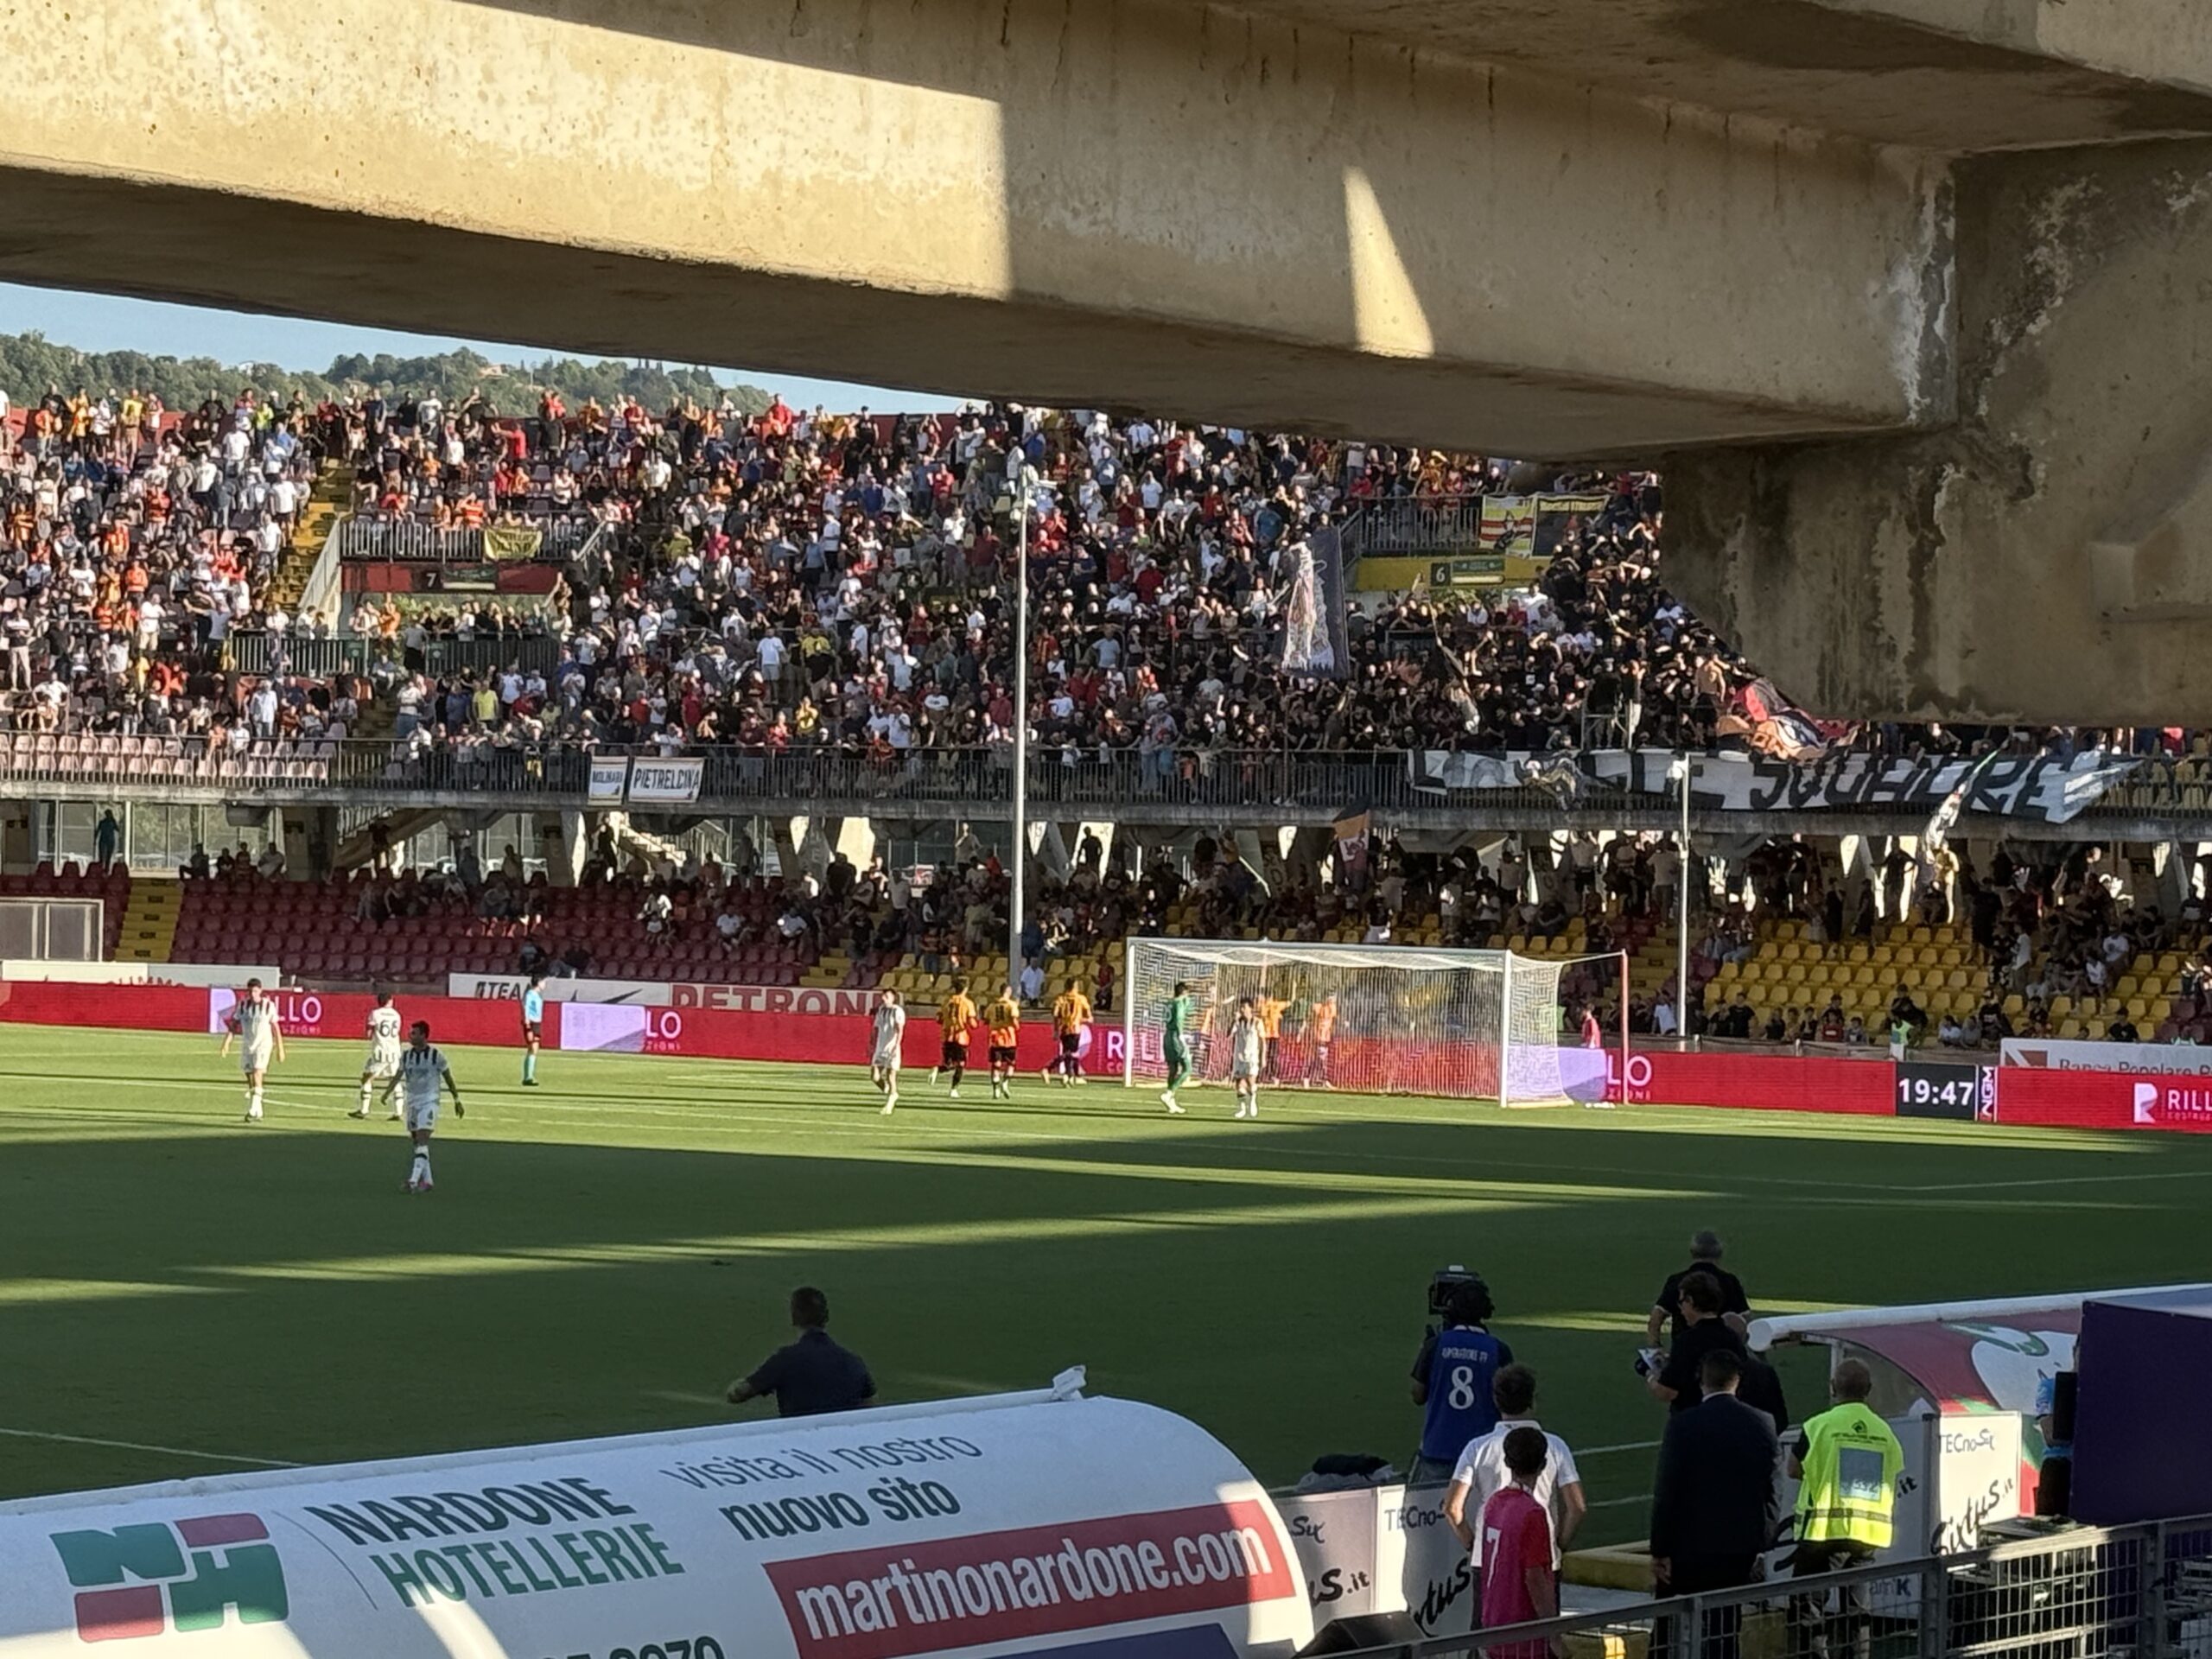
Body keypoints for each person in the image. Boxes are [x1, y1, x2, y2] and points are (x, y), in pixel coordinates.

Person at [1649, 1351, 1782, 1659]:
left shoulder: (1684, 1425)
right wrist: (1763, 1542)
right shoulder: (1763, 1423)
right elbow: (1773, 1490)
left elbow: (1667, 1490)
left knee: (1668, 1624)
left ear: (1702, 1381)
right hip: (1738, 1547)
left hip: (1689, 1548)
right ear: (1738, 1381)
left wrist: (1660, 1549)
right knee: (1724, 1626)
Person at [1785, 1359, 1902, 1659]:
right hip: (1867, 1534)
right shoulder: (1885, 1432)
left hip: (1822, 1531)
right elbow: (1892, 1471)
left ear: (1833, 1387)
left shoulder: (1818, 1425)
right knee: (1857, 1608)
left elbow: (1793, 1469)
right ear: (1869, 1390)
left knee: (1809, 1604)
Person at [1442, 1364, 1586, 1573]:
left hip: (1490, 1556)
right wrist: (1558, 1547)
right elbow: (1577, 1507)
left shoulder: (1477, 1447)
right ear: (1533, 1400)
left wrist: (1473, 1546)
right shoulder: (1556, 1446)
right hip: (1541, 1555)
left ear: (1496, 1400)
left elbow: (1452, 1508)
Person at [1409, 1277, 1512, 1484]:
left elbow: (1418, 1395)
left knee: (1433, 1502)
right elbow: (1510, 1403)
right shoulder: (1498, 1350)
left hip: (1439, 1448)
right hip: (1484, 1451)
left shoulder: (1435, 1345)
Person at [726, 1286, 875, 1418]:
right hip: (841, 1438)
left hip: (799, 1437)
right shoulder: (853, 1362)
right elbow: (870, 1407)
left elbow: (738, 1394)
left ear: (794, 1317)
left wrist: (736, 1386)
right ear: (826, 1316)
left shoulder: (785, 1360)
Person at [1476, 1427, 1560, 1657]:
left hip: (1494, 1623)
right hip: (1523, 1631)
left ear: (1506, 1462)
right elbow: (1535, 1578)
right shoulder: (1532, 1513)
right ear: (1543, 1465)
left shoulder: (1495, 1503)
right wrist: (1554, 1634)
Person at [381, 1020, 465, 1194]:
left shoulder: (436, 1055)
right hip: (412, 1102)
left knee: (422, 1138)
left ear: (424, 1036)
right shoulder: (406, 1056)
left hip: (429, 1101)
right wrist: (387, 1092)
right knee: (417, 1143)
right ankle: (428, 1181)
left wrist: (456, 1099)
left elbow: (448, 1077)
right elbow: (399, 1074)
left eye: (414, 1033)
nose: (410, 1036)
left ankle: (413, 1181)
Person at [1649, 1270, 1748, 1412]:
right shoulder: (1732, 1338)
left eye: (1682, 1303)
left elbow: (1668, 1391)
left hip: (1692, 1416)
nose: (1681, 1310)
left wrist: (1651, 1376)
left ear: (1690, 1301)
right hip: (1728, 1414)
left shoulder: (1686, 1341)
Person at [1648, 1230, 1751, 1348]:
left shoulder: (1677, 1281)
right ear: (1719, 1253)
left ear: (1692, 1252)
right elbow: (1744, 1319)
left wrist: (1655, 1347)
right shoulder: (1730, 1281)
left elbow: (1657, 1317)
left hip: (1684, 1349)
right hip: (1722, 1350)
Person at [218, 978, 285, 1123]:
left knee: (257, 1073)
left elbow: (275, 1027)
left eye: (255, 991)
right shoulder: (243, 1006)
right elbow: (234, 1025)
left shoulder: (268, 1006)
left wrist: (280, 1048)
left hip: (263, 1045)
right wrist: (227, 1043)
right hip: (248, 1045)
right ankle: (258, 1110)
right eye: (250, 991)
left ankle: (253, 1110)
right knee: (250, 1076)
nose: (253, 994)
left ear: (260, 991)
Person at [350, 990, 404, 1120]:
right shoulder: (396, 1015)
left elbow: (368, 1033)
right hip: (394, 1051)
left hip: (380, 1051)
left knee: (367, 1078)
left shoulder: (375, 1014)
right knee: (394, 1079)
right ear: (389, 1001)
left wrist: (370, 1033)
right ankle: (398, 1112)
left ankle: (364, 1110)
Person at [935, 976, 977, 1098]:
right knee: (961, 1063)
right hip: (960, 1037)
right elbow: (972, 1024)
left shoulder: (946, 1001)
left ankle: (937, 1069)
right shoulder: (968, 1003)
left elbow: (938, 1019)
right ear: (966, 989)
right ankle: (953, 1089)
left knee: (948, 1064)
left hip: (947, 1036)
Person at [1160, 978, 1197, 1114]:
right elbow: (1179, 1019)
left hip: (1167, 1036)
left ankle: (1171, 1102)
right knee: (1188, 1068)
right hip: (1176, 1037)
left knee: (1173, 1069)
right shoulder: (1179, 1003)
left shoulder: (1169, 1003)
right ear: (1184, 992)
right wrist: (1182, 1036)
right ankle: (1169, 1093)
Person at [1047, 978, 1090, 1086]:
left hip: (1064, 1029)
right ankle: (1048, 1068)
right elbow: (1089, 1017)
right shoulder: (1081, 999)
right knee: (1072, 1053)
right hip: (1075, 1029)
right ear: (1075, 987)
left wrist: (1056, 1030)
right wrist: (1081, 1019)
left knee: (1067, 1051)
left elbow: (1055, 1014)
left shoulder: (1061, 999)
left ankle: (1068, 1076)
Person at [871, 989, 906, 1114]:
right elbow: (876, 1027)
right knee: (875, 1076)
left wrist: (897, 1045)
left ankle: (890, 1102)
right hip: (880, 1048)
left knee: (891, 1075)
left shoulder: (898, 1011)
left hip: (892, 1048)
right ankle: (887, 1090)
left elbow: (900, 1029)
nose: (883, 998)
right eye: (883, 996)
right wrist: (872, 1043)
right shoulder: (881, 1010)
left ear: (893, 998)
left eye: (886, 996)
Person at [1229, 995, 1263, 1119]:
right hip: (1239, 1057)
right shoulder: (1238, 1022)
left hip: (1252, 1057)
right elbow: (1229, 1035)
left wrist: (1263, 1057)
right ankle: (1242, 1108)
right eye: (1241, 1007)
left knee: (1250, 1081)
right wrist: (1233, 1020)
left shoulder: (1257, 1022)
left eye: (1244, 1007)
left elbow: (1263, 1041)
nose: (1242, 1010)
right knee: (1239, 1085)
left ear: (1250, 1008)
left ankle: (1253, 1099)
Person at [984, 983, 1020, 1099]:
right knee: (1011, 1063)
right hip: (1009, 1038)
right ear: (1008, 992)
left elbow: (986, 1020)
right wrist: (1017, 1026)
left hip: (995, 1038)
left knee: (996, 1064)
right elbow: (1014, 1020)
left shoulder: (992, 1006)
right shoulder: (1012, 1005)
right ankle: (1005, 1083)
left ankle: (996, 1089)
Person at [1305, 990, 1337, 1088]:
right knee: (1321, 1059)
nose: (1332, 1000)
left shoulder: (1333, 1008)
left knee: (1319, 1059)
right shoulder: (1319, 1007)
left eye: (1333, 998)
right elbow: (1310, 1019)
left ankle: (1308, 1077)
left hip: (1327, 1037)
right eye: (1330, 997)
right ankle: (1323, 1079)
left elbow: (1334, 1020)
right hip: (1319, 1036)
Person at [519, 972, 545, 1085]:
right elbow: (526, 1006)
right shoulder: (530, 994)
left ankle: (528, 1076)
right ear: (538, 982)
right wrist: (526, 1020)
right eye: (543, 982)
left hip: (537, 1023)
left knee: (534, 1049)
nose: (545, 985)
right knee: (532, 1048)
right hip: (531, 1022)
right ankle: (528, 1077)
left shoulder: (537, 995)